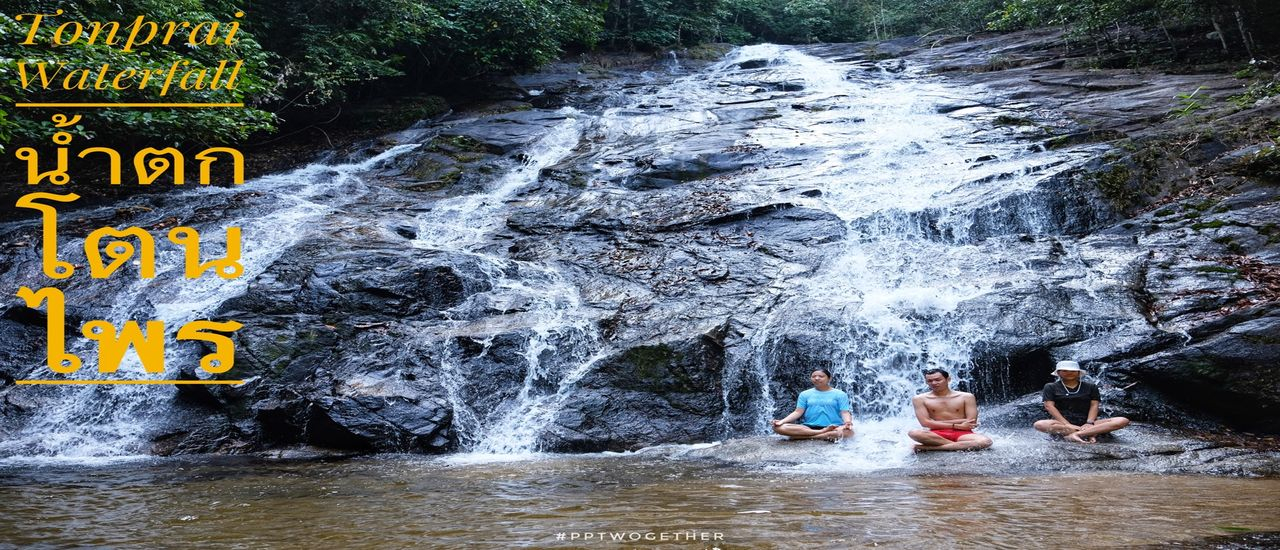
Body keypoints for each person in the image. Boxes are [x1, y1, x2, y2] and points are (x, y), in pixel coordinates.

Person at [1034, 360, 1130, 443]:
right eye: (1065, 370)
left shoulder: (1091, 386)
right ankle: (1091, 433)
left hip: (1089, 423)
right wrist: (1067, 424)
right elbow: (1049, 406)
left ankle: (1077, 434)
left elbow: (1094, 405)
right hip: (1063, 424)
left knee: (1122, 420)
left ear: (1079, 373)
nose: (1069, 372)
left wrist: (1089, 423)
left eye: (1073, 371)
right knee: (1039, 424)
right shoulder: (1051, 386)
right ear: (1058, 373)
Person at [908, 368, 993, 452]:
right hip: (936, 434)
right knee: (913, 433)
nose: (934, 383)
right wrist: (957, 425)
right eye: (930, 381)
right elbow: (925, 423)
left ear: (948, 379)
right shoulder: (919, 399)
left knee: (986, 442)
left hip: (962, 434)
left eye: (938, 380)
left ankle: (931, 448)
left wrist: (934, 423)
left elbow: (971, 421)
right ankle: (958, 446)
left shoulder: (967, 397)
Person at [772, 369, 855, 441]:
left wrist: (848, 422)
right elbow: (798, 412)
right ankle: (821, 433)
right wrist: (781, 421)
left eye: (821, 376)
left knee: (848, 433)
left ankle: (803, 437)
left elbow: (844, 412)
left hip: (834, 427)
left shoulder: (840, 394)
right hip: (808, 428)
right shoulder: (805, 394)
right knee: (778, 428)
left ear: (829, 378)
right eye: (813, 376)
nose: (817, 378)